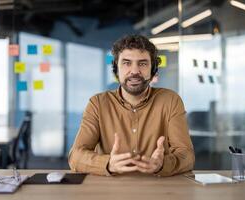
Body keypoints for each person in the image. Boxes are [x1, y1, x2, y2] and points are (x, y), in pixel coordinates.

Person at [68, 35, 195, 176]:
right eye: (127, 63)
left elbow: (187, 156)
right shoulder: (97, 104)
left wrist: (162, 164)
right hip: (110, 191)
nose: (134, 71)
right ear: (116, 68)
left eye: (142, 64)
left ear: (153, 69)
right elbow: (75, 157)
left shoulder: (170, 100)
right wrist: (108, 164)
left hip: (158, 189)